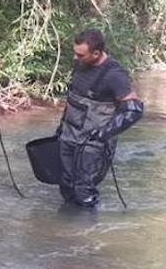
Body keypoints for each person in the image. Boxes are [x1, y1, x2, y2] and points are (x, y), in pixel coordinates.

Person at [56, 28, 144, 207]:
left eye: (80, 55)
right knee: (65, 183)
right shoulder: (81, 65)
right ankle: (65, 230)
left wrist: (103, 134)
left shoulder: (114, 75)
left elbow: (134, 110)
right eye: (75, 53)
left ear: (96, 53)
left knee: (83, 189)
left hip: (93, 143)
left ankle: (87, 230)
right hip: (68, 134)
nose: (75, 58)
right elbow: (73, 100)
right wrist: (60, 129)